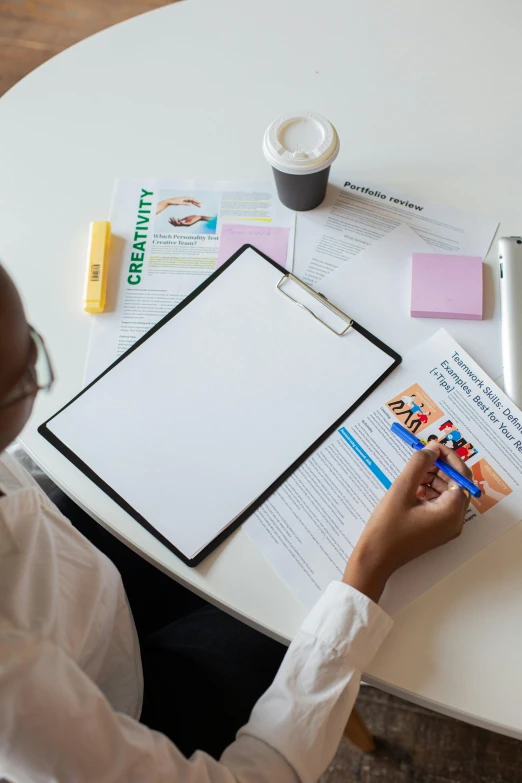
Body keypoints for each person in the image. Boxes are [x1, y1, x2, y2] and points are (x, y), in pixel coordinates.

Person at [0, 263, 473, 782]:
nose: (39, 378)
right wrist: (370, 566)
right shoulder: (13, 694)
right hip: (129, 706)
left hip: (82, 593)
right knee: (281, 616)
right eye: (28, 371)